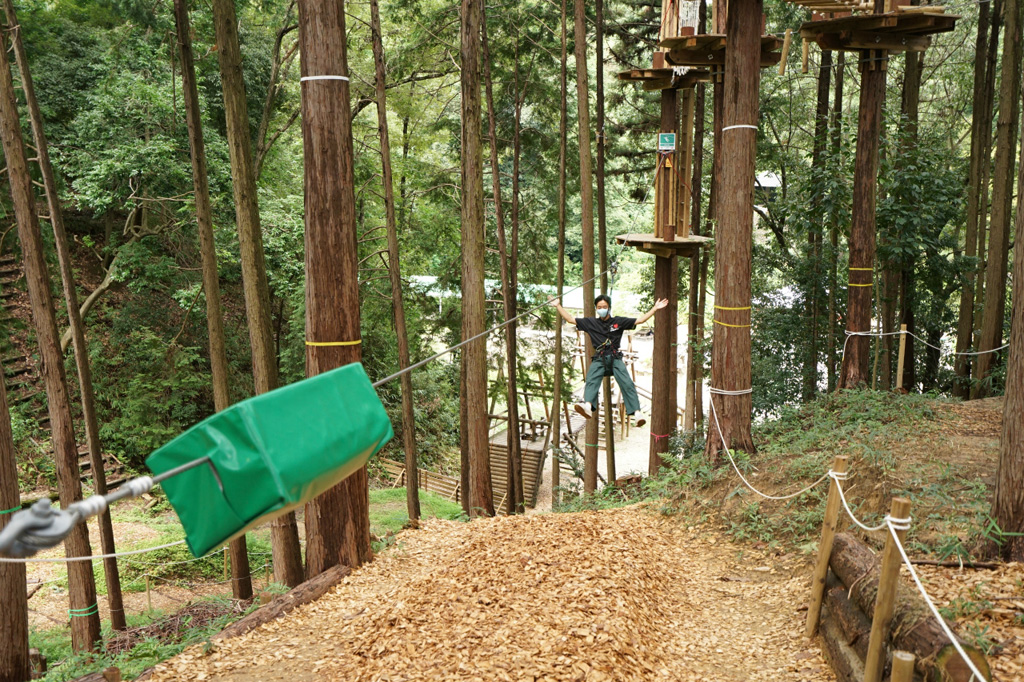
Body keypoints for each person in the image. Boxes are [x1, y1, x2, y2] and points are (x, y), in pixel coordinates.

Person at [549, 294, 668, 427]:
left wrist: (655, 308)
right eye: (599, 307)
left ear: (609, 307)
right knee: (591, 379)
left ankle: (637, 412)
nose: (602, 309)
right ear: (596, 308)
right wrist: (558, 306)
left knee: (627, 382)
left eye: (604, 307)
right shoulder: (591, 323)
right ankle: (587, 405)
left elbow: (639, 321)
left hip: (615, 357)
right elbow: (570, 319)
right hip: (599, 357)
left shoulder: (618, 322)